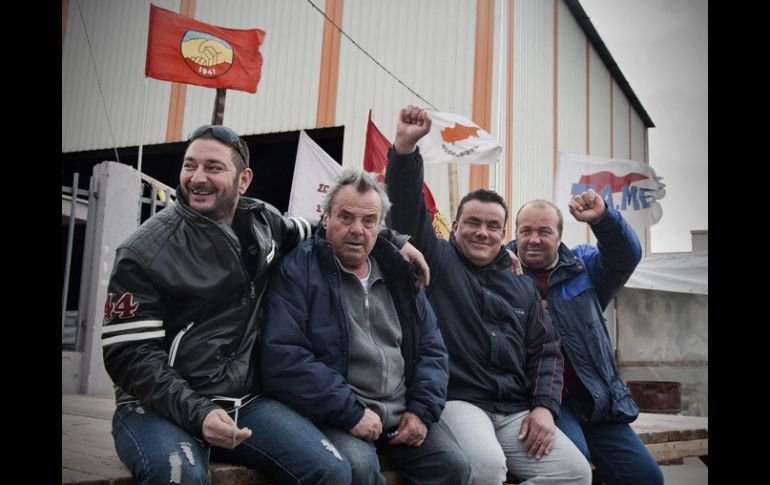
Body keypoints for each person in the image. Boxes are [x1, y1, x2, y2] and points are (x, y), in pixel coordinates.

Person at [101, 124, 427, 485]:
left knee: (331, 469)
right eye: (189, 165)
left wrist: (391, 240)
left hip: (243, 403)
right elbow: (129, 354)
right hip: (156, 406)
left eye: (213, 167)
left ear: (244, 180)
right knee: (180, 476)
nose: (197, 177)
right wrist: (198, 412)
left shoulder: (263, 223)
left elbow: (328, 227)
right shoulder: (143, 252)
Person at [385, 105, 591, 485]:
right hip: (458, 403)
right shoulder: (437, 260)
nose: (482, 232)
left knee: (575, 474)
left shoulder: (521, 283)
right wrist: (405, 150)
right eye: (473, 222)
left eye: (493, 226)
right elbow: (407, 207)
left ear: (503, 233)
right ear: (454, 225)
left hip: (515, 411)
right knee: (487, 467)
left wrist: (545, 408)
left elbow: (546, 351)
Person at [260, 169, 471, 485]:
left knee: (453, 466)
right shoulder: (298, 270)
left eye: (369, 220)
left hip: (402, 411)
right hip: (336, 413)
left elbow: (431, 347)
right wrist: (351, 412)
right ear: (326, 218)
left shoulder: (400, 272)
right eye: (346, 217)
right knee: (358, 469)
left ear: (381, 226)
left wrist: (421, 410)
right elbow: (284, 357)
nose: (357, 229)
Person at [508, 193, 664, 485]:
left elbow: (625, 256)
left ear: (559, 237)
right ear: (515, 233)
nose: (534, 239)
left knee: (646, 477)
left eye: (544, 231)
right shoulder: (502, 273)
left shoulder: (584, 267)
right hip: (542, 402)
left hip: (595, 399)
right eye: (525, 231)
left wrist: (603, 219)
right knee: (574, 463)